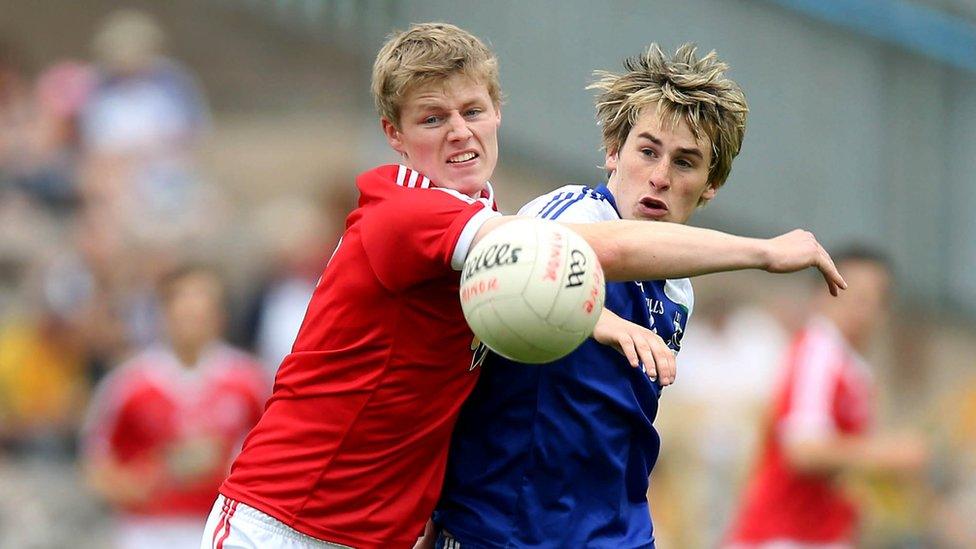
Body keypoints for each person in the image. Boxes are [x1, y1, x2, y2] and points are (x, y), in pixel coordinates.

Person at [205, 23, 844, 549]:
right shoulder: (426, 213)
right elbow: (576, 255)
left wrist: (589, 317)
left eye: (472, 111)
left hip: (433, 533)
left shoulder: (496, 225)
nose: (458, 131)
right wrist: (762, 251)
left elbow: (526, 292)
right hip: (291, 519)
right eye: (432, 118)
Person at [432, 43, 751, 548]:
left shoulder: (678, 290)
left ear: (711, 184)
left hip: (614, 534)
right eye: (647, 151)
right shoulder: (572, 216)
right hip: (506, 529)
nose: (661, 176)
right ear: (612, 151)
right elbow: (521, 273)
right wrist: (601, 319)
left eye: (686, 162)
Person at [724, 246, 927, 548]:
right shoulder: (817, 354)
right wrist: (885, 453)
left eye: (875, 299)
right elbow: (803, 450)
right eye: (852, 293)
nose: (863, 308)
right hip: (782, 536)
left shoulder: (853, 369)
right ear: (822, 293)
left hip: (820, 535)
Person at [82, 264, 268, 549]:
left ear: (219, 316)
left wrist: (225, 468)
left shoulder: (249, 382)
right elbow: (97, 467)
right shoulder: (129, 384)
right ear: (164, 314)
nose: (192, 319)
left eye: (201, 310)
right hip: (148, 531)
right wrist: (148, 479)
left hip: (221, 526)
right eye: (183, 309)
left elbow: (271, 456)